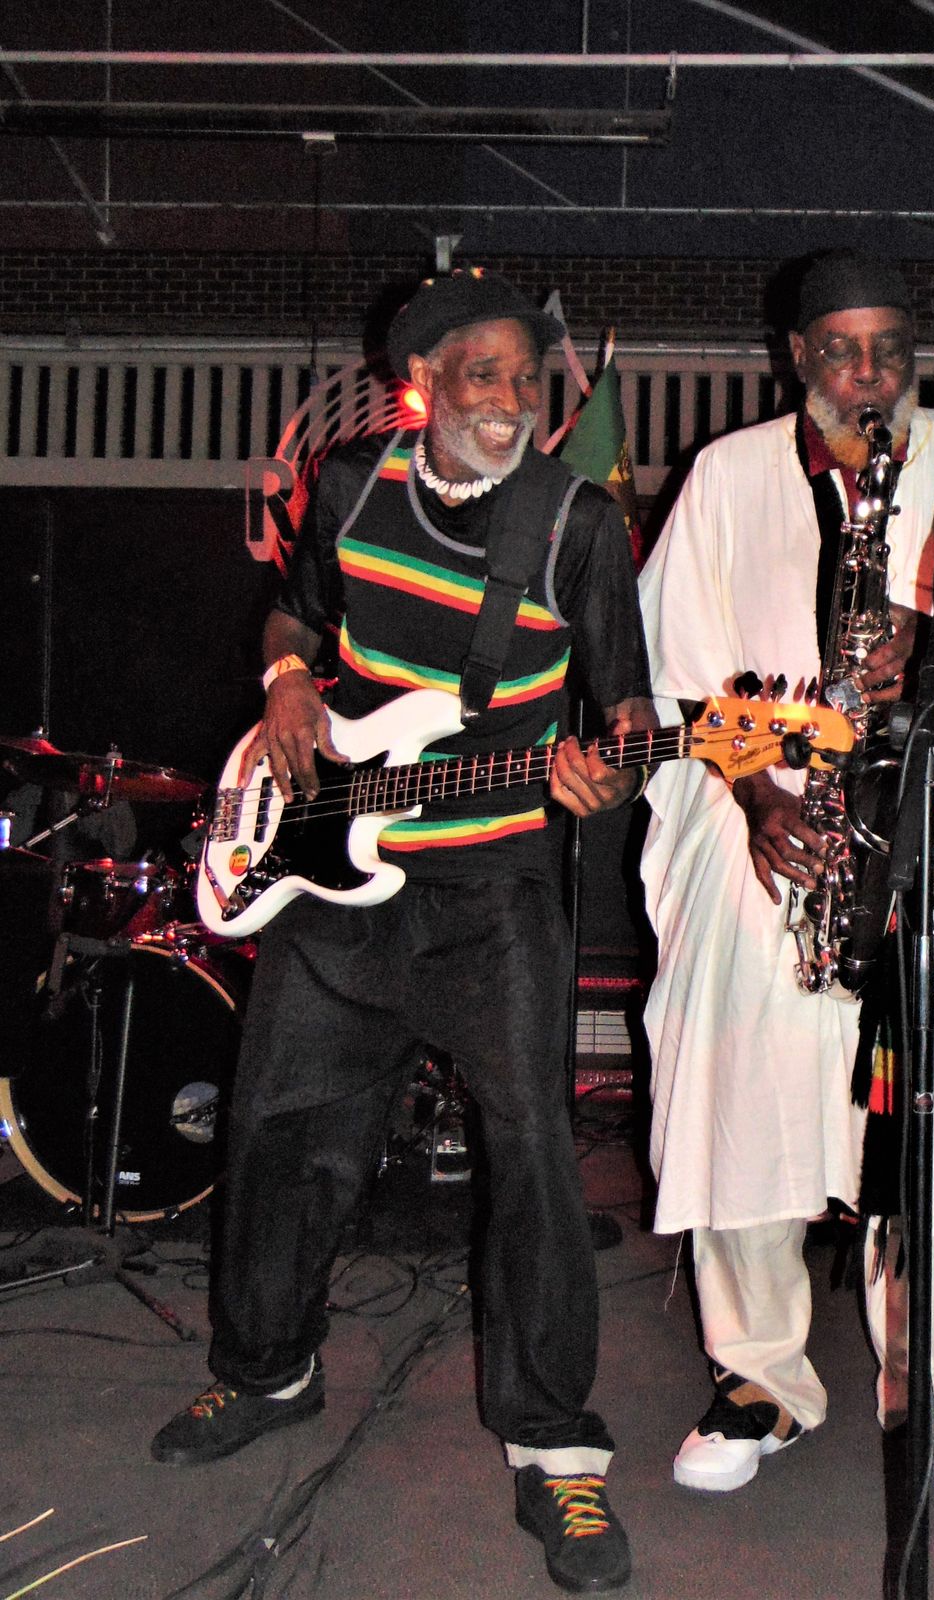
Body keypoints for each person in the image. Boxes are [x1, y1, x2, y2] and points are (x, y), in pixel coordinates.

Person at [151, 267, 655, 1595]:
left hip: (493, 884)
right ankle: (268, 1369)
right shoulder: (351, 485)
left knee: (534, 1154)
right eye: (484, 373)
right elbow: (295, 611)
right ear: (424, 380)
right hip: (333, 868)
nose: (511, 398)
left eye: (528, 378)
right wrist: (287, 680)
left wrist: (611, 772)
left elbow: (629, 714)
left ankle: (556, 1449)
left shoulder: (578, 524)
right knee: (281, 1128)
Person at [637, 250, 934, 1504]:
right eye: (841, 349)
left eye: (888, 350)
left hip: (930, 827)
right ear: (797, 359)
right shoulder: (727, 477)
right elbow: (675, 670)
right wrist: (755, 798)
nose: (868, 374)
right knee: (742, 1086)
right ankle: (759, 1377)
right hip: (771, 827)